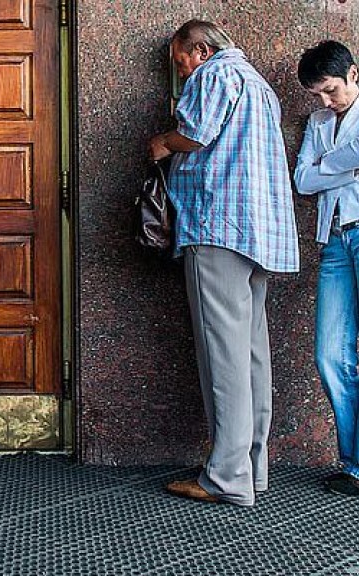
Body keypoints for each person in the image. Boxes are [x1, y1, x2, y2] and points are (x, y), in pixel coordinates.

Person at [149, 20, 300, 506]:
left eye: (180, 61)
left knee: (223, 356)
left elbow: (195, 133)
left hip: (217, 228)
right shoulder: (258, 84)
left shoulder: (214, 75)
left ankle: (226, 477)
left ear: (201, 48)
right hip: (259, 236)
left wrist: (163, 143)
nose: (181, 72)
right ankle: (252, 469)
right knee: (252, 354)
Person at [294, 40, 359, 497]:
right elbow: (302, 179)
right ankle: (355, 465)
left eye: (331, 90)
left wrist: (325, 165)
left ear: (354, 74)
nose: (325, 102)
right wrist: (347, 165)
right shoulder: (318, 122)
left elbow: (319, 172)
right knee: (330, 354)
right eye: (318, 94)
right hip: (334, 239)